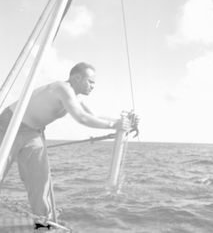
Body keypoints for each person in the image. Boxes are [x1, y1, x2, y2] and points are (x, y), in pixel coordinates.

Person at [0, 62, 136, 229]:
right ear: (77, 77)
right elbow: (80, 117)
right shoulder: (62, 89)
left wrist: (121, 122)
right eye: (90, 81)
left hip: (33, 132)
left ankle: (42, 225)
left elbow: (93, 114)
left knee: (40, 181)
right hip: (10, 124)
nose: (93, 86)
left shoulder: (77, 96)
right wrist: (112, 126)